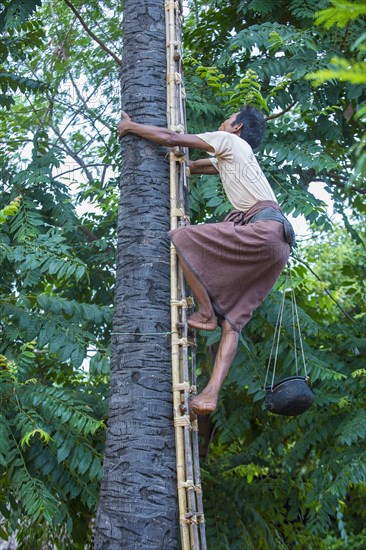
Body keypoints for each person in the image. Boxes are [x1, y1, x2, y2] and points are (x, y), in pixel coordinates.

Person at [117, 106, 295, 415]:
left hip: (265, 230)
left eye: (226, 118)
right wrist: (183, 167)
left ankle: (204, 313)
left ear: (236, 127)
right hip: (280, 243)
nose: (221, 122)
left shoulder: (229, 141)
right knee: (233, 323)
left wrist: (131, 128)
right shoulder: (240, 156)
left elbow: (173, 138)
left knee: (183, 238)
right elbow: (197, 166)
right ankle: (209, 395)